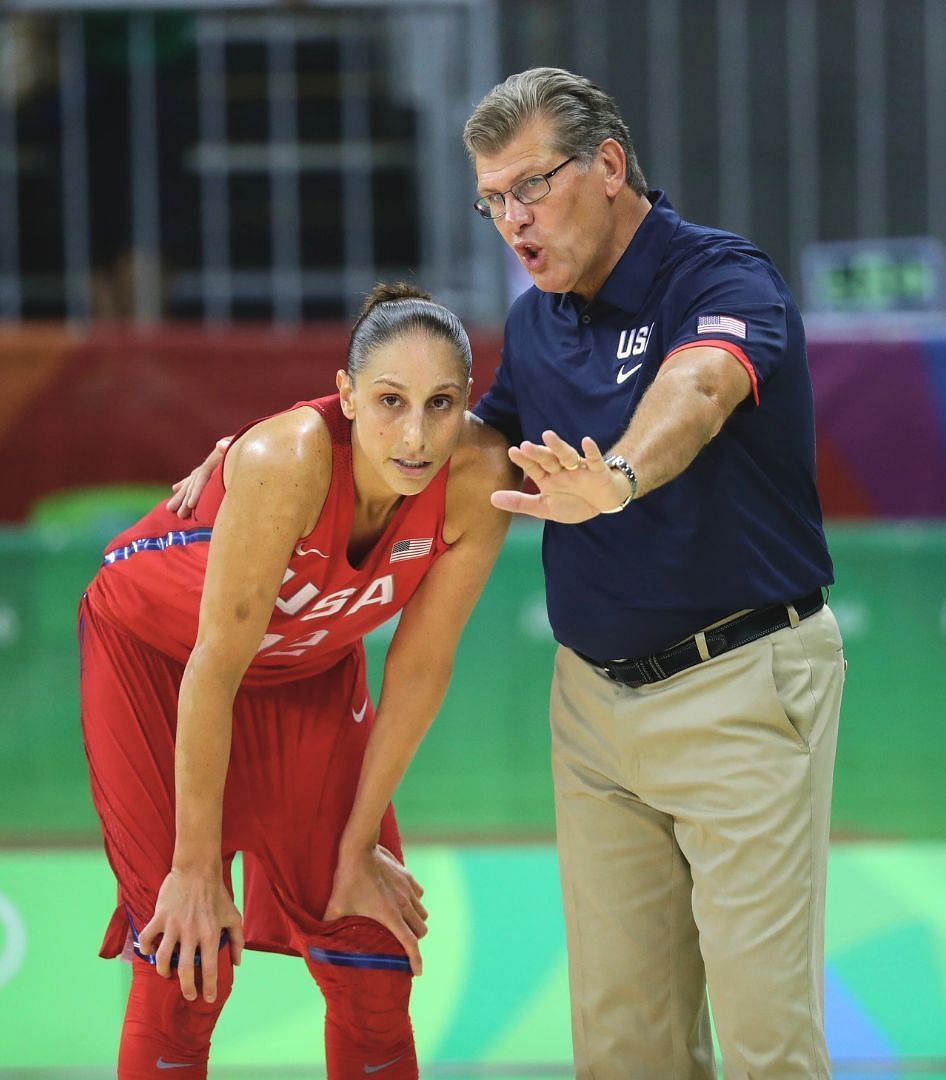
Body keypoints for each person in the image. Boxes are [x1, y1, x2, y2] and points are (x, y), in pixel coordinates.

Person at [172, 67, 842, 1078]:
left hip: (740, 690)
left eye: (531, 186)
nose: (512, 220)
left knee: (765, 1043)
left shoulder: (718, 278)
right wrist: (265, 449)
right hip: (592, 712)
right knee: (620, 1047)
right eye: (492, 200)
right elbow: (445, 448)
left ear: (609, 166)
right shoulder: (537, 319)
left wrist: (614, 478)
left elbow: (699, 389)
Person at [82, 283, 515, 1079]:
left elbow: (420, 668)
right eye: (389, 400)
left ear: (466, 406)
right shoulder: (286, 460)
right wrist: (194, 867)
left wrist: (357, 848)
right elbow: (214, 668)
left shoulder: (478, 480)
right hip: (159, 660)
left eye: (440, 404)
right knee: (187, 957)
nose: (415, 435)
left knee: (373, 950)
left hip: (306, 668)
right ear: (346, 395)